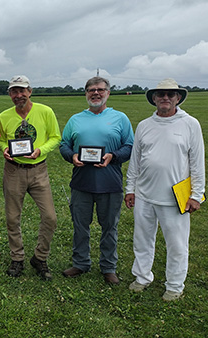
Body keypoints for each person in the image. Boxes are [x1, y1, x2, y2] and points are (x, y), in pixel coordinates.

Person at [125, 78, 205, 301]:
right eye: (161, 94)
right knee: (141, 240)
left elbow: (198, 163)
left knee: (177, 244)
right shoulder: (144, 125)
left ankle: (175, 285)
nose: (165, 98)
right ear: (154, 99)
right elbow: (136, 161)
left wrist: (196, 195)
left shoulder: (190, 124)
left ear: (178, 98)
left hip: (175, 198)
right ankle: (141, 277)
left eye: (171, 94)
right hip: (144, 195)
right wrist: (130, 189)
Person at [59, 76, 134, 285]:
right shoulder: (76, 119)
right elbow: (64, 144)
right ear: (86, 94)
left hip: (110, 183)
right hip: (82, 182)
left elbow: (129, 146)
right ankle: (80, 263)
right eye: (91, 90)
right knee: (80, 226)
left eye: (100, 89)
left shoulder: (120, 118)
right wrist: (71, 156)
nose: (96, 93)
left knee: (109, 227)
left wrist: (113, 157)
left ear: (108, 93)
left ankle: (108, 267)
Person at [0, 75, 60, 281]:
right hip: (14, 170)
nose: (18, 95)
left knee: (50, 217)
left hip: (38, 170)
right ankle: (17, 258)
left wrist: (40, 150)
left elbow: (55, 137)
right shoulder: (5, 116)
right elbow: (2, 139)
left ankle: (40, 257)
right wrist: (6, 150)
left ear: (30, 91)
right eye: (14, 91)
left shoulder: (45, 111)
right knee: (12, 218)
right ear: (10, 94)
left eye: (22, 90)